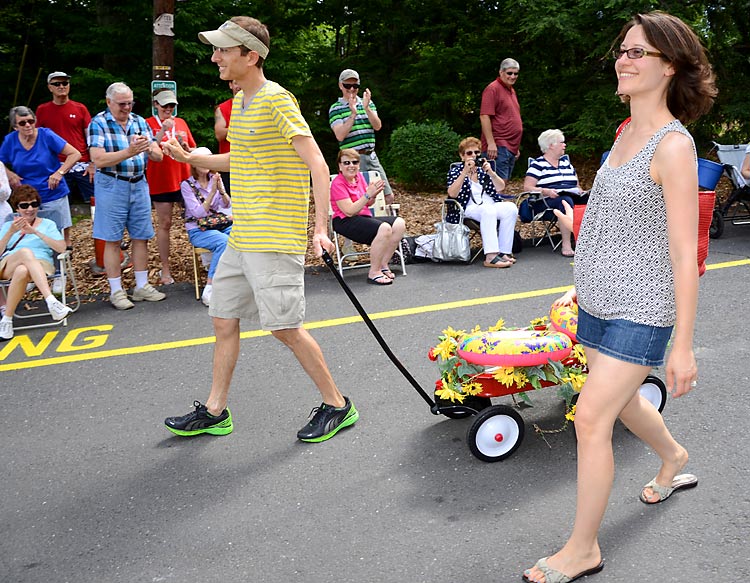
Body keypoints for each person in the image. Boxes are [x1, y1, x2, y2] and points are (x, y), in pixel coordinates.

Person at [522, 11, 716, 583]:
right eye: (623, 51)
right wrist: (578, 282)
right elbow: (608, 221)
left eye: (638, 53)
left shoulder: (673, 146)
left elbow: (684, 253)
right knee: (626, 403)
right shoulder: (622, 133)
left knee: (590, 418)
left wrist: (683, 346)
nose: (624, 60)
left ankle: (583, 548)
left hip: (643, 308)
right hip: (599, 300)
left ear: (670, 67)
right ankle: (674, 456)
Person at [161, 16, 358, 443]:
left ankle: (338, 405)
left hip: (273, 237)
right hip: (242, 234)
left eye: (223, 50)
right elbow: (242, 160)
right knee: (222, 319)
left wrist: (320, 227)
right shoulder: (244, 104)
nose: (214, 57)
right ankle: (215, 411)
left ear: (250, 56)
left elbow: (319, 164)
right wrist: (187, 156)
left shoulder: (276, 100)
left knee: (285, 328)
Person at [87, 82, 166, 310]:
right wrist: (129, 152)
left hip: (139, 183)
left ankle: (141, 286)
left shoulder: (139, 121)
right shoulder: (99, 123)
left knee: (141, 235)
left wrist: (150, 148)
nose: (127, 108)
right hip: (112, 184)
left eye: (130, 103)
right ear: (109, 102)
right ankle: (116, 291)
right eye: (122, 104)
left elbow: (158, 156)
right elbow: (98, 159)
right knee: (112, 239)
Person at [0, 106, 81, 248]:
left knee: (59, 234)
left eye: (31, 121)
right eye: (22, 123)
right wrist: (10, 174)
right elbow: (0, 162)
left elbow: (75, 154)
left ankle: (63, 264)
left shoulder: (46, 135)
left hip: (52, 190)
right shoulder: (10, 141)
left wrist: (59, 173)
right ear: (15, 127)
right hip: (26, 196)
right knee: (29, 236)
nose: (28, 125)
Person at [0, 185, 72, 341]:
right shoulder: (8, 226)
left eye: (34, 204)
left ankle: (6, 320)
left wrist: (36, 233)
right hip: (8, 264)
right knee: (25, 252)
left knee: (22, 271)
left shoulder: (47, 224)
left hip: (41, 264)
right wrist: (10, 232)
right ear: (17, 208)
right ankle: (51, 300)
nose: (30, 209)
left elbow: (61, 248)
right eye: (24, 205)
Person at [331, 148, 405, 285]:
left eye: (355, 162)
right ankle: (374, 272)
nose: (351, 166)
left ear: (359, 165)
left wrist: (373, 194)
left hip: (362, 218)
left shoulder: (359, 179)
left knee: (399, 224)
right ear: (340, 166)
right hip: (344, 221)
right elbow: (349, 211)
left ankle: (383, 265)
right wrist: (367, 194)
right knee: (384, 228)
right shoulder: (338, 183)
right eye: (346, 163)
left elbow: (368, 203)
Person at [146, 89, 196, 285]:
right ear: (155, 104)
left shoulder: (181, 122)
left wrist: (184, 144)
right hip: (161, 180)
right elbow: (149, 150)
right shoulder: (147, 123)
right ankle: (165, 269)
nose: (168, 109)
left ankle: (204, 260)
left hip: (184, 178)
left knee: (196, 218)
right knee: (165, 224)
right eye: (164, 105)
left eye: (171, 106)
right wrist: (161, 132)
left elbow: (192, 150)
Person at [446, 137, 518, 268]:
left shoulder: (483, 170)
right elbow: (452, 194)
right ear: (462, 156)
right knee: (487, 210)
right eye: (469, 153)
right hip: (468, 208)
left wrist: (490, 172)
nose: (474, 155)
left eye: (477, 152)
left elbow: (500, 187)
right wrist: (464, 173)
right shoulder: (456, 171)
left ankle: (504, 252)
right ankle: (491, 257)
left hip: (489, 204)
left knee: (510, 208)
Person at [329, 68, 393, 199]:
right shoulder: (335, 108)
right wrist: (353, 114)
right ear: (341, 85)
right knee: (361, 197)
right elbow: (340, 135)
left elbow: (377, 126)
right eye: (348, 85)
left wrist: (366, 108)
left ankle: (385, 217)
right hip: (352, 159)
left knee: (387, 196)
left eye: (355, 85)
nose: (351, 89)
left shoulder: (367, 103)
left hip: (371, 155)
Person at [180, 147, 232, 306]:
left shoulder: (215, 178)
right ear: (194, 164)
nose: (206, 162)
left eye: (209, 158)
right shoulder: (187, 185)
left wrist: (221, 191)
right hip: (199, 229)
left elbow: (226, 205)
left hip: (218, 224)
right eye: (202, 159)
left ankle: (233, 283)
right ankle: (210, 287)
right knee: (223, 242)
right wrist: (211, 194)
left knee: (241, 235)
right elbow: (197, 214)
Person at [35, 71, 95, 204]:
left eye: (65, 83)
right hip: (56, 166)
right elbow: (38, 140)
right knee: (59, 205)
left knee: (95, 203)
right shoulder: (42, 110)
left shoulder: (80, 108)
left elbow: (91, 138)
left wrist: (93, 163)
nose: (61, 86)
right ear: (50, 87)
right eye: (57, 84)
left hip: (82, 165)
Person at [523, 129, 582, 257]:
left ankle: (589, 242)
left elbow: (577, 185)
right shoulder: (538, 165)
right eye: (562, 142)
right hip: (546, 201)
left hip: (570, 196)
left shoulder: (567, 164)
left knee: (591, 201)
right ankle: (566, 244)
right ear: (551, 145)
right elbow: (527, 187)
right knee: (565, 201)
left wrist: (582, 193)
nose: (564, 145)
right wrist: (545, 191)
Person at [480, 58, 523, 181]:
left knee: (503, 182)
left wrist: (515, 147)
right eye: (509, 73)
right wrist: (491, 143)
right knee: (497, 183)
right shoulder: (492, 89)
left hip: (510, 146)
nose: (513, 76)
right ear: (501, 72)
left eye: (516, 73)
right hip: (498, 145)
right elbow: (484, 116)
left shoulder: (511, 91)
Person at [214, 80, 241, 196]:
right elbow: (219, 134)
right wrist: (242, 128)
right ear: (230, 85)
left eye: (241, 82)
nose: (239, 86)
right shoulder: (223, 108)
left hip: (253, 164)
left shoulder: (258, 105)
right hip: (229, 165)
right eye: (235, 83)